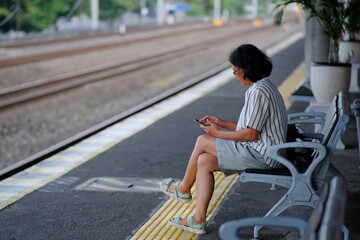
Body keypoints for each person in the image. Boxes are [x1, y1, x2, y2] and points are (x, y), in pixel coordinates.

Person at [160, 44, 288, 234]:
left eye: (235, 71)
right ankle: (198, 220)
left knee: (202, 141)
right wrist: (220, 123)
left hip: (264, 155)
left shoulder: (259, 92)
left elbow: (250, 134)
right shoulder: (262, 87)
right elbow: (249, 128)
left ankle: (183, 189)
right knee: (204, 161)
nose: (235, 75)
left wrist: (216, 133)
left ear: (245, 69)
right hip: (264, 151)